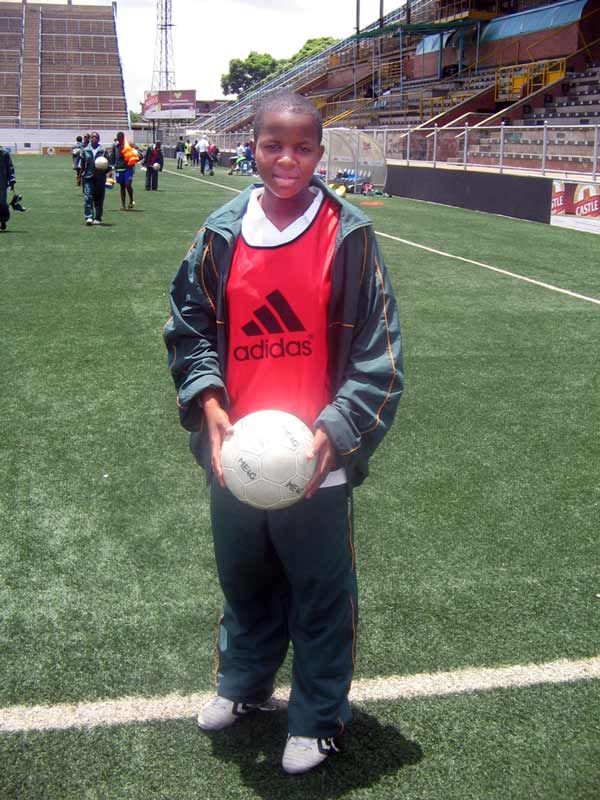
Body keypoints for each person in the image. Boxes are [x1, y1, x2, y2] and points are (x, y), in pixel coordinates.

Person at [163, 91, 403, 775]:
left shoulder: (348, 234)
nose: (287, 160)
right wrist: (208, 399)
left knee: (321, 594)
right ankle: (243, 685)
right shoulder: (222, 230)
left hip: (313, 465)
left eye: (302, 148)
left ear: (320, 155)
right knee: (244, 582)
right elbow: (188, 324)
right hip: (235, 456)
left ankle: (319, 716)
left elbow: (380, 355)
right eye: (273, 145)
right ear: (253, 147)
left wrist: (336, 428)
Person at [77, 130, 109, 225]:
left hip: (100, 178)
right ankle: (89, 217)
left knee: (99, 198)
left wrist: (105, 171)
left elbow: (108, 164)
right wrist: (79, 176)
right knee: (88, 196)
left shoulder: (103, 151)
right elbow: (82, 164)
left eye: (96, 137)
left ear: (99, 139)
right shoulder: (85, 150)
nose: (94, 138)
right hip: (88, 176)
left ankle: (98, 218)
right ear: (90, 139)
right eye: (92, 137)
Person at [111, 131, 136, 210]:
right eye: (119, 138)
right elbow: (113, 157)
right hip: (119, 168)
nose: (120, 139)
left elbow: (135, 154)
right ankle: (123, 205)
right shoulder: (115, 147)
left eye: (121, 138)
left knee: (128, 184)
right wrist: (111, 165)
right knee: (122, 186)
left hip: (128, 168)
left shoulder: (128, 145)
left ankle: (131, 200)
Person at [0, 144, 16, 231]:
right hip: (3, 182)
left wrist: (12, 180)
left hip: (2, 183)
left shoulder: (5, 154)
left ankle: (3, 221)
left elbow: (10, 167)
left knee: (2, 203)